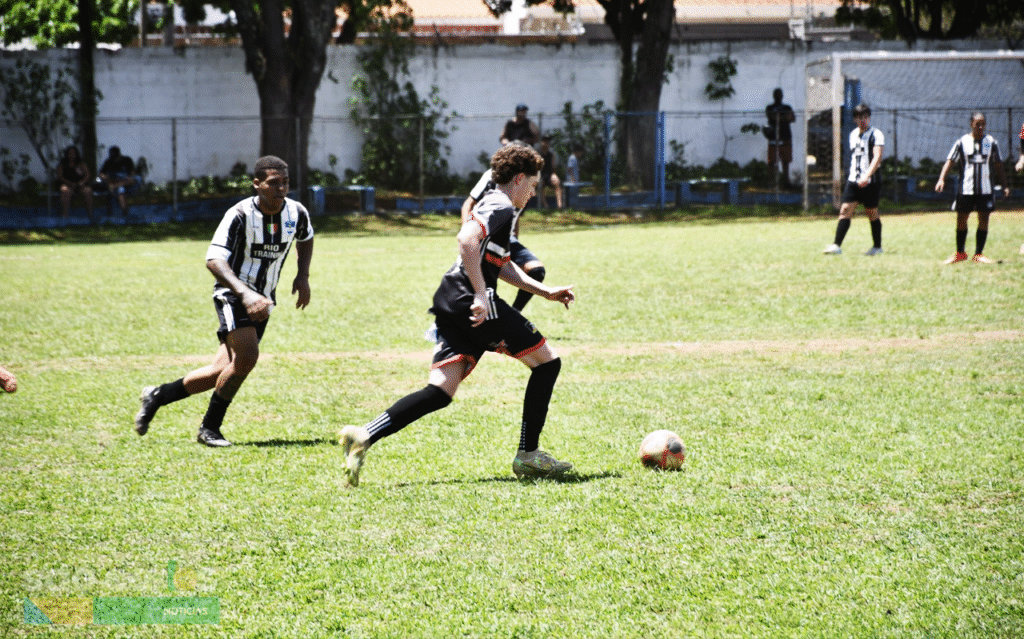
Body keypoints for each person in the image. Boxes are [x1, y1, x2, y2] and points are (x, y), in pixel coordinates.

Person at [339, 144, 576, 487]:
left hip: (451, 298)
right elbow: (466, 239)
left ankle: (364, 434)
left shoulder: (496, 205)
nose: (534, 192)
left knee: (440, 390)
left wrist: (545, 291)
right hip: (471, 300)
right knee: (547, 363)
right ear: (519, 178)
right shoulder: (502, 204)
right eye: (534, 185)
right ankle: (528, 454)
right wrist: (482, 293)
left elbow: (501, 263)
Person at [133, 156, 314, 447]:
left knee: (222, 370)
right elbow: (214, 260)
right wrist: (245, 293)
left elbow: (306, 237)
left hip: (263, 300)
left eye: (286, 182)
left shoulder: (296, 212)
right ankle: (209, 429)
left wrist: (302, 275)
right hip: (233, 293)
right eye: (273, 183)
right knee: (247, 359)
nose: (281, 188)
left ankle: (158, 395)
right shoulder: (240, 214)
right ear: (257, 184)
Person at [459, 151, 547, 312]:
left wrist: (512, 237)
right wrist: (469, 233)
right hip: (484, 235)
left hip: (507, 238)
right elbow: (468, 204)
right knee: (486, 281)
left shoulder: (524, 184)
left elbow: (515, 216)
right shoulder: (493, 180)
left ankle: (514, 313)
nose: (533, 193)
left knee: (536, 271)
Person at [935, 112, 1007, 264]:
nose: (980, 127)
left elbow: (998, 164)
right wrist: (941, 179)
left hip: (985, 189)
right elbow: (950, 161)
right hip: (966, 189)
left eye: (983, 124)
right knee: (961, 219)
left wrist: (1005, 185)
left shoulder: (992, 142)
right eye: (977, 124)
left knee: (984, 219)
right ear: (971, 124)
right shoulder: (962, 142)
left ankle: (978, 254)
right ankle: (960, 253)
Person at [823, 103, 885, 256]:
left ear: (869, 118)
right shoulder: (852, 135)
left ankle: (877, 247)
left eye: (866, 117)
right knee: (845, 210)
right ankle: (836, 245)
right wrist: (856, 177)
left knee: (871, 212)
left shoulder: (876, 134)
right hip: (854, 180)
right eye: (859, 117)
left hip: (870, 181)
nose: (863, 120)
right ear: (855, 119)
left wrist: (867, 175)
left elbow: (877, 157)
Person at [765, 88, 796, 188]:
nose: (778, 96)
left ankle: (786, 182)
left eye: (780, 94)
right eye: (776, 94)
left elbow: (792, 118)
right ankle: (770, 182)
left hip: (785, 137)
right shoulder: (770, 107)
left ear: (782, 96)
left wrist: (780, 117)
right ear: (774, 96)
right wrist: (783, 117)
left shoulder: (787, 107)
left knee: (785, 161)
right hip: (773, 137)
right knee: (771, 161)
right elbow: (772, 117)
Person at [98, 146, 141, 217]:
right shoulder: (109, 161)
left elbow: (132, 174)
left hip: (129, 185)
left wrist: (127, 178)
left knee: (137, 178)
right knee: (121, 189)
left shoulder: (127, 160)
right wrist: (108, 179)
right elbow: (101, 174)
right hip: (117, 186)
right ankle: (125, 212)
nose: (115, 160)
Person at [56, 145, 95, 220]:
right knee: (65, 190)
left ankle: (90, 215)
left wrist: (82, 182)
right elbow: (60, 177)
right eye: (70, 153)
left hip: (80, 185)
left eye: (73, 153)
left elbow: (87, 175)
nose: (72, 154)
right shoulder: (62, 164)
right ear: (67, 154)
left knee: (88, 191)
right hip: (67, 184)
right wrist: (70, 183)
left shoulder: (81, 164)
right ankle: (65, 215)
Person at [536, 135, 563, 209]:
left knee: (557, 181)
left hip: (549, 174)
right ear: (541, 142)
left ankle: (559, 205)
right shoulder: (537, 154)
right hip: (540, 174)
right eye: (545, 141)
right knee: (540, 183)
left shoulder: (551, 154)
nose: (547, 143)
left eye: (548, 141)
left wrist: (554, 175)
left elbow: (553, 167)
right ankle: (545, 205)